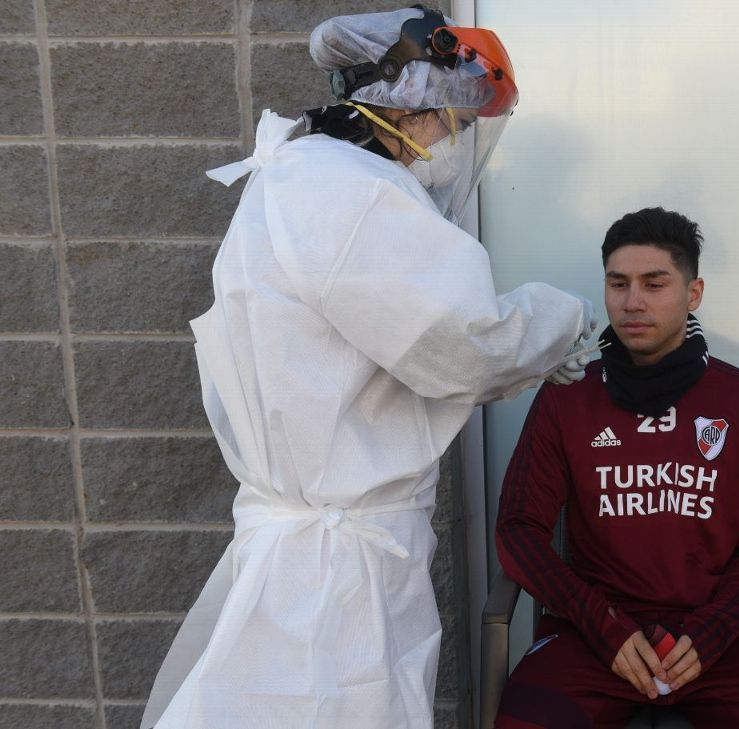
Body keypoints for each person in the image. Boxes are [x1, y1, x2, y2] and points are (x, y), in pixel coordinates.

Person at [141, 8, 594, 729]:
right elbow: (464, 343)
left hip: (310, 546)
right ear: (410, 106)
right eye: (455, 120)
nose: (455, 142)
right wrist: (562, 321)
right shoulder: (354, 195)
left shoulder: (299, 175)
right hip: (337, 568)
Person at [494, 207, 739, 728]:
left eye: (655, 284)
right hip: (599, 638)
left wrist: (713, 631)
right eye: (618, 283)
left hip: (722, 639)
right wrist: (599, 624)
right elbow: (520, 529)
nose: (633, 302)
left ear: (693, 293)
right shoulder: (567, 396)